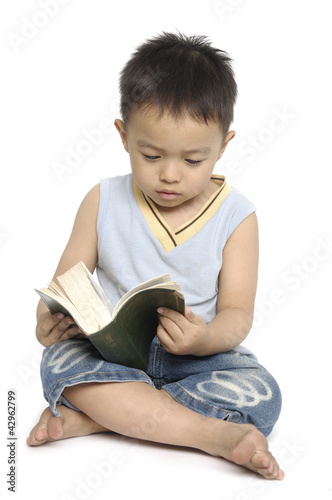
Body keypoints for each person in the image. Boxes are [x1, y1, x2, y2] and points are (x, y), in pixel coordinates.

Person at [27, 32, 284, 480]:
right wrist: (47, 323)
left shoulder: (237, 216)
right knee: (61, 362)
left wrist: (204, 340)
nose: (169, 174)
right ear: (124, 136)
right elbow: (66, 285)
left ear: (223, 146)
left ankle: (103, 416)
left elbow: (238, 313)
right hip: (113, 355)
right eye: (150, 154)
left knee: (263, 395)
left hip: (197, 358)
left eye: (193, 160)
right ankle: (212, 434)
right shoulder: (102, 199)